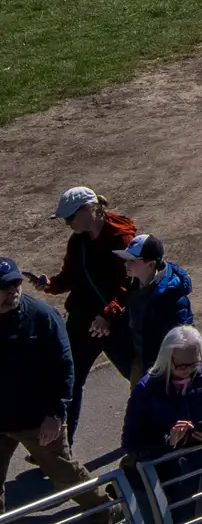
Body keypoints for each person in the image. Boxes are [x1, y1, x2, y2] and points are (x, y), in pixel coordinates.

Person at [120, 326, 202, 524]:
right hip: (156, 481)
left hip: (194, 477)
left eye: (194, 364)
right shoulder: (146, 390)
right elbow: (130, 443)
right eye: (182, 366)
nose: (188, 372)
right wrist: (169, 441)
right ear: (167, 359)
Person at [0, 255, 92, 500]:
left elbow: (64, 367)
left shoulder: (42, 317)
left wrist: (55, 414)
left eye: (15, 283)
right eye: (4, 286)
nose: (12, 291)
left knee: (65, 477)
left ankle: (105, 511)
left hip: (38, 422)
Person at [52, 188, 142, 426]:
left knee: (139, 377)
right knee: (69, 380)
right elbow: (71, 276)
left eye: (70, 217)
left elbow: (130, 283)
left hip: (117, 323)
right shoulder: (77, 241)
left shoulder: (122, 239)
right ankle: (62, 447)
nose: (67, 222)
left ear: (89, 210)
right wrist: (50, 284)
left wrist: (108, 314)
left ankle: (156, 428)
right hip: (83, 321)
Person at [115, 235, 193, 380]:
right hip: (141, 364)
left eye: (132, 260)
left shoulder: (173, 298)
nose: (126, 264)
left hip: (165, 371)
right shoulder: (132, 285)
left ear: (150, 265)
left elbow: (181, 342)